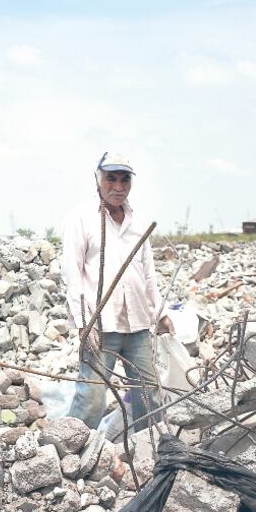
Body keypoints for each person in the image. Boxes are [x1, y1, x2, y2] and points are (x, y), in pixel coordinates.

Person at [62, 152, 173, 434]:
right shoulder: (82, 218)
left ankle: (151, 451)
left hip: (137, 325)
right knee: (92, 397)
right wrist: (83, 323)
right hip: (101, 325)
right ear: (98, 179)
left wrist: (159, 313)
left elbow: (148, 274)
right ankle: (67, 451)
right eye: (111, 178)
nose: (118, 186)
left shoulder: (139, 222)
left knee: (149, 394)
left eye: (124, 179)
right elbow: (72, 275)